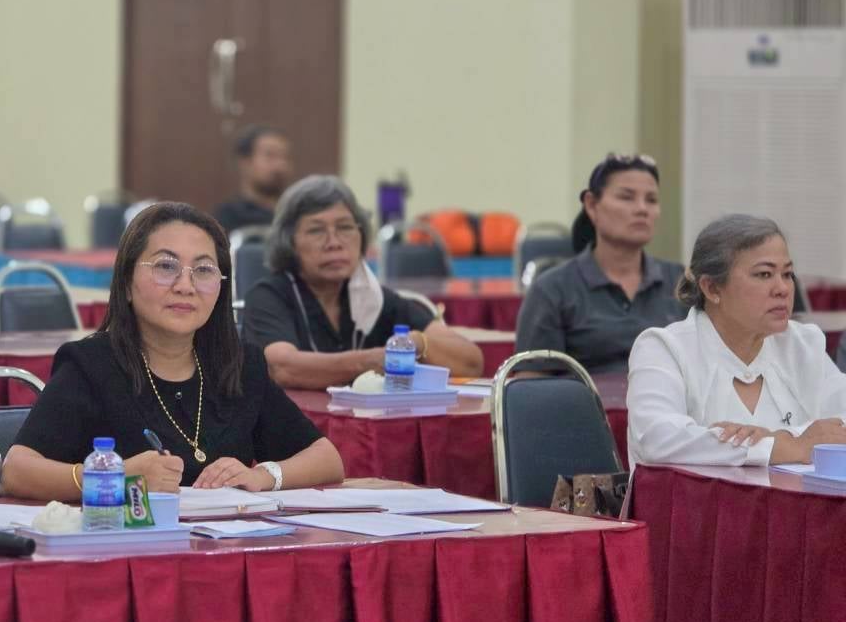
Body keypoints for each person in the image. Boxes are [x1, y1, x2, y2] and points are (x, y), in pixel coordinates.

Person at [0, 201, 343, 499]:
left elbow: (326, 458)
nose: (185, 286)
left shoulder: (239, 364)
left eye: (204, 270)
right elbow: (16, 472)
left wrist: (264, 476)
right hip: (128, 546)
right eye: (166, 267)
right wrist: (116, 478)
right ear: (127, 282)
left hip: (223, 546)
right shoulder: (91, 365)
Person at [627, 214, 846, 467]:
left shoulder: (802, 344)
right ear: (712, 288)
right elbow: (656, 438)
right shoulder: (663, 348)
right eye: (764, 274)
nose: (783, 289)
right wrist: (786, 446)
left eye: (787, 274)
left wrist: (785, 438)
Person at [243, 175, 484, 389]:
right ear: (289, 243)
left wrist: (419, 343)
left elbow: (471, 362)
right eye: (316, 230)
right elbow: (283, 367)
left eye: (345, 227)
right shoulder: (269, 296)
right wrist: (372, 360)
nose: (334, 242)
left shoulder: (372, 298)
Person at [514, 153, 686, 374]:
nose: (642, 209)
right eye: (626, 197)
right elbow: (531, 382)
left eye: (651, 200)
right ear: (592, 205)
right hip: (585, 397)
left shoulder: (681, 283)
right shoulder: (552, 290)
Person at [213, 125, 293, 234]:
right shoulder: (227, 218)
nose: (280, 165)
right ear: (245, 162)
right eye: (270, 156)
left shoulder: (296, 214)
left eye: (285, 157)